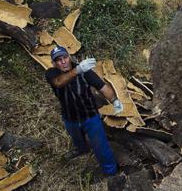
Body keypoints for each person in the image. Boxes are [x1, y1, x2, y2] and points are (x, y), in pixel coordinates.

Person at [44, 46, 123, 175]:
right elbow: (59, 83)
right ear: (54, 63)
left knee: (100, 146)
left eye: (65, 57)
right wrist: (78, 70)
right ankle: (82, 149)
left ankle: (111, 172)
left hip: (90, 117)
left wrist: (115, 100)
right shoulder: (52, 74)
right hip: (70, 118)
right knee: (76, 138)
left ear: (69, 57)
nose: (63, 62)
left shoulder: (85, 71)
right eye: (58, 60)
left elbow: (102, 86)